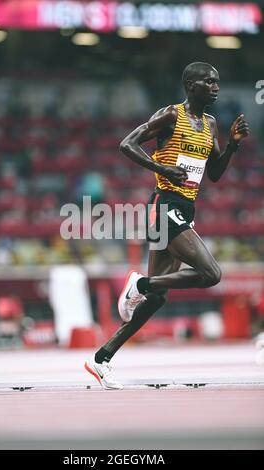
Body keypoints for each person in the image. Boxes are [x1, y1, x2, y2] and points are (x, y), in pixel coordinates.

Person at [85, 62, 249, 389]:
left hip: (185, 208)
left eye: (218, 82)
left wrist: (232, 144)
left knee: (158, 298)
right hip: (165, 205)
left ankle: (100, 359)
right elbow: (127, 144)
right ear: (190, 85)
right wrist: (159, 165)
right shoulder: (171, 116)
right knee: (211, 274)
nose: (216, 87)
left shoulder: (211, 124)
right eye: (208, 81)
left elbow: (213, 173)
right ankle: (140, 285)